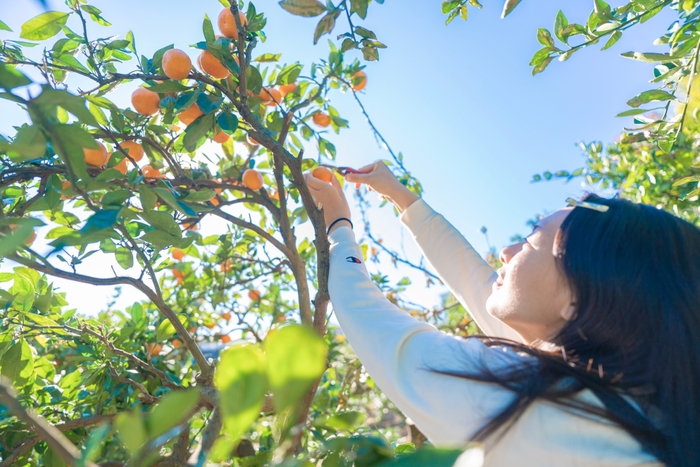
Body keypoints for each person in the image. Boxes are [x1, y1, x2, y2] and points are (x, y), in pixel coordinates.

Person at [304, 161, 700, 467]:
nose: (506, 253)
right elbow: (477, 284)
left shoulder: (536, 407)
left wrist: (339, 225)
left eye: (529, 242)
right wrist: (401, 198)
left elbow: (373, 324)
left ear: (580, 301)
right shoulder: (630, 411)